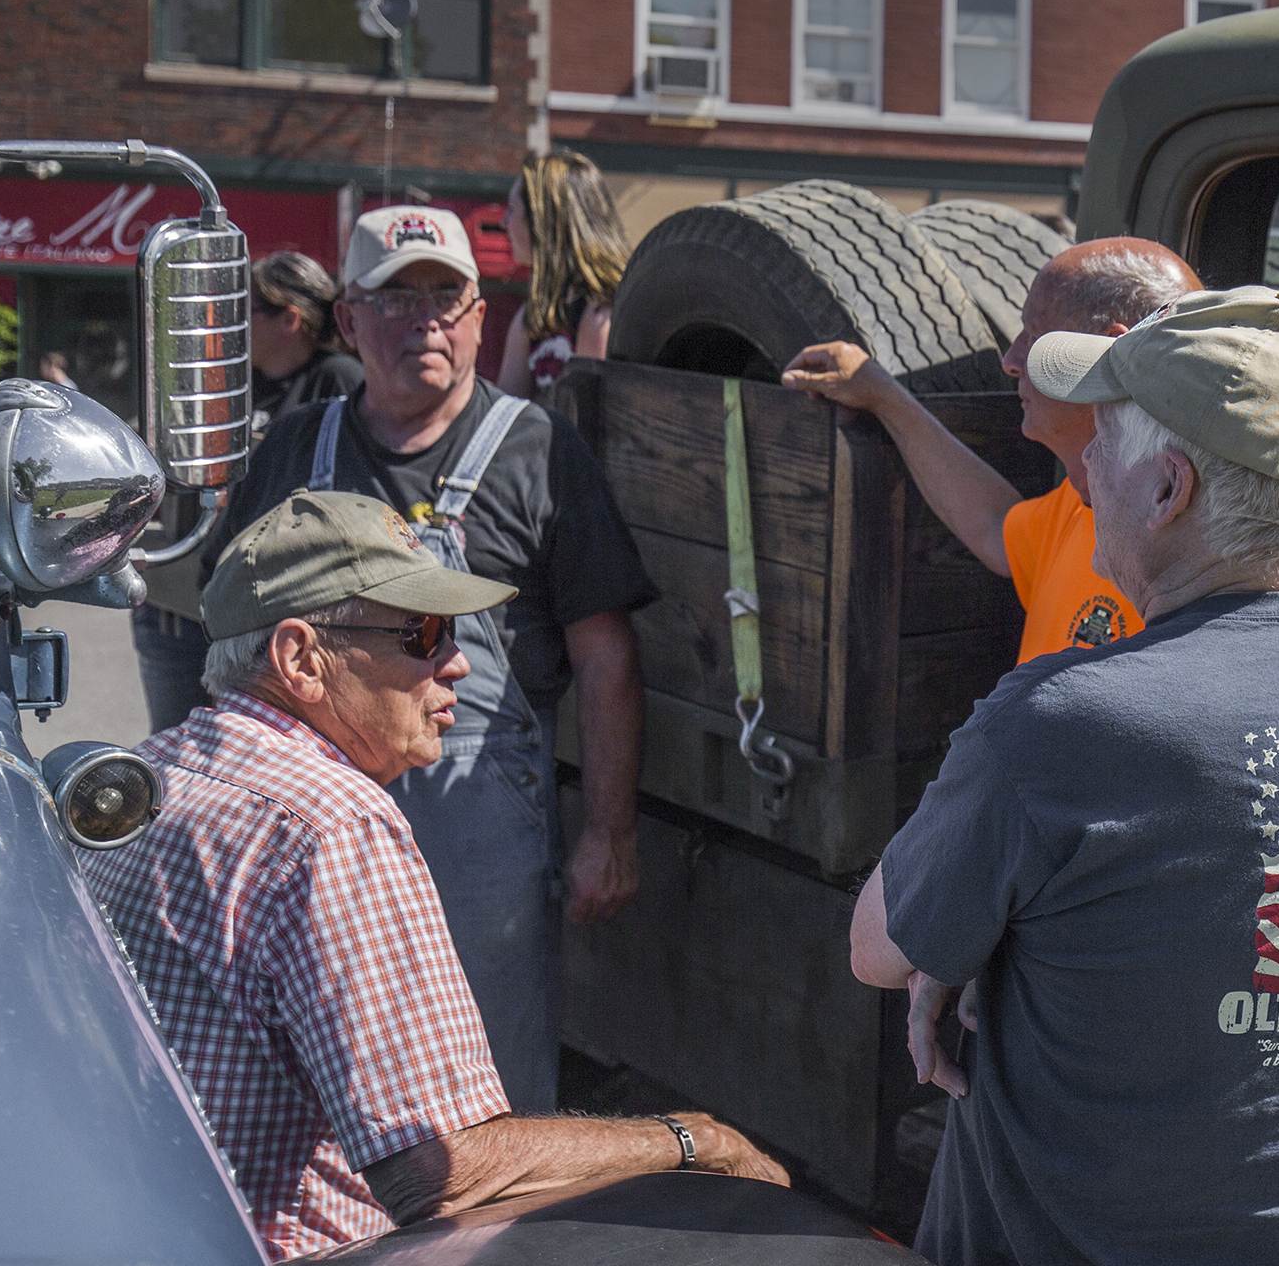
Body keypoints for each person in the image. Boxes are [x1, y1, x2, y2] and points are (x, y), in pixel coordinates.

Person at [850, 287, 1279, 1266]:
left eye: (1102, 439)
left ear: (1168, 487)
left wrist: (952, 924)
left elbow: (880, 949)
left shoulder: (1063, 722)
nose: (1085, 467)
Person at [83, 490, 784, 1261]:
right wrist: (692, 1141)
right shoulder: (333, 825)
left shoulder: (146, 772)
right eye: (421, 632)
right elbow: (441, 1174)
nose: (457, 662)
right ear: (299, 658)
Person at [205, 205, 657, 1112]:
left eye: (446, 299)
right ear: (350, 320)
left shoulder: (537, 452)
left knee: (485, 1089)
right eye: (396, 299)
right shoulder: (300, 445)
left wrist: (608, 832)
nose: (427, 322)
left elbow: (605, 660)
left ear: (481, 315)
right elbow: (229, 640)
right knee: (313, 1068)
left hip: (476, 831)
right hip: (312, 822)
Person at [782, 237, 1199, 664]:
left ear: (1109, 352)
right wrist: (882, 395)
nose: (1011, 360)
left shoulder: (1183, 550)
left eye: (1036, 336)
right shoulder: (1086, 504)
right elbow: (996, 526)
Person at [131, 250, 360, 735]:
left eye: (244, 310)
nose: (230, 323)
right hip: (183, 606)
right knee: (177, 756)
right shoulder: (226, 379)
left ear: (289, 319)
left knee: (258, 757)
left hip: (276, 616)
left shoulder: (338, 381)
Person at [496, 148, 631, 399]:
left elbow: (588, 423)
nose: (504, 222)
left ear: (540, 221)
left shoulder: (599, 313)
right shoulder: (534, 313)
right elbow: (505, 412)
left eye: (512, 210)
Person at [249, 250, 364, 432]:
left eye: (245, 310)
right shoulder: (242, 381)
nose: (235, 323)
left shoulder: (338, 377)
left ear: (289, 320)